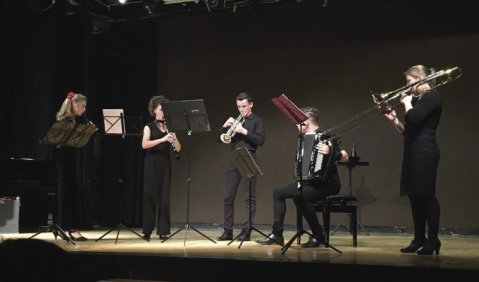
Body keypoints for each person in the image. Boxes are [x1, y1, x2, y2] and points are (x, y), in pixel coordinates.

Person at [256, 106, 348, 247]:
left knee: (300, 196)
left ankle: (318, 235)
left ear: (306, 122)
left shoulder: (326, 135)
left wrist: (331, 152)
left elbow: (345, 157)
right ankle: (277, 234)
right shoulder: (303, 138)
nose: (296, 125)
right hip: (308, 182)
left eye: (298, 122)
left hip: (328, 184)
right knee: (278, 192)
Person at [384, 65, 442, 255]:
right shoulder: (418, 100)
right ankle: (419, 239)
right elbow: (408, 130)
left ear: (420, 79)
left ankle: (433, 241)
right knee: (414, 196)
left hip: (425, 151)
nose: (407, 86)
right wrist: (394, 120)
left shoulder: (432, 97)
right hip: (413, 151)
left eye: (409, 81)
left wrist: (407, 103)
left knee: (426, 195)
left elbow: (415, 119)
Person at [217, 92, 265, 241]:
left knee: (249, 197)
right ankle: (228, 231)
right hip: (234, 158)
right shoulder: (234, 120)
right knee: (228, 196)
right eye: (238, 106)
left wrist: (243, 131)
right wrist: (224, 127)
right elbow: (220, 139)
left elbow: (260, 140)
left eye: (244, 106)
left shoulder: (257, 121)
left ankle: (246, 231)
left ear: (251, 104)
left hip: (249, 157)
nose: (241, 109)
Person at [141, 95, 181, 241]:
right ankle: (147, 231)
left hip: (165, 163)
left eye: (165, 110)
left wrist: (174, 137)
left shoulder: (170, 127)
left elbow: (178, 148)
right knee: (150, 196)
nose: (164, 112)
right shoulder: (149, 126)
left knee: (164, 196)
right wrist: (163, 139)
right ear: (154, 110)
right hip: (151, 163)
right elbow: (144, 145)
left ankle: (163, 231)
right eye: (161, 109)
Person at [55, 91, 91, 241]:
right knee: (68, 194)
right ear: (74, 105)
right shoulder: (65, 122)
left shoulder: (77, 121)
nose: (84, 109)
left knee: (72, 193)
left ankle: (67, 227)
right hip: (64, 163)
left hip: (71, 162)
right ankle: (69, 228)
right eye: (83, 106)